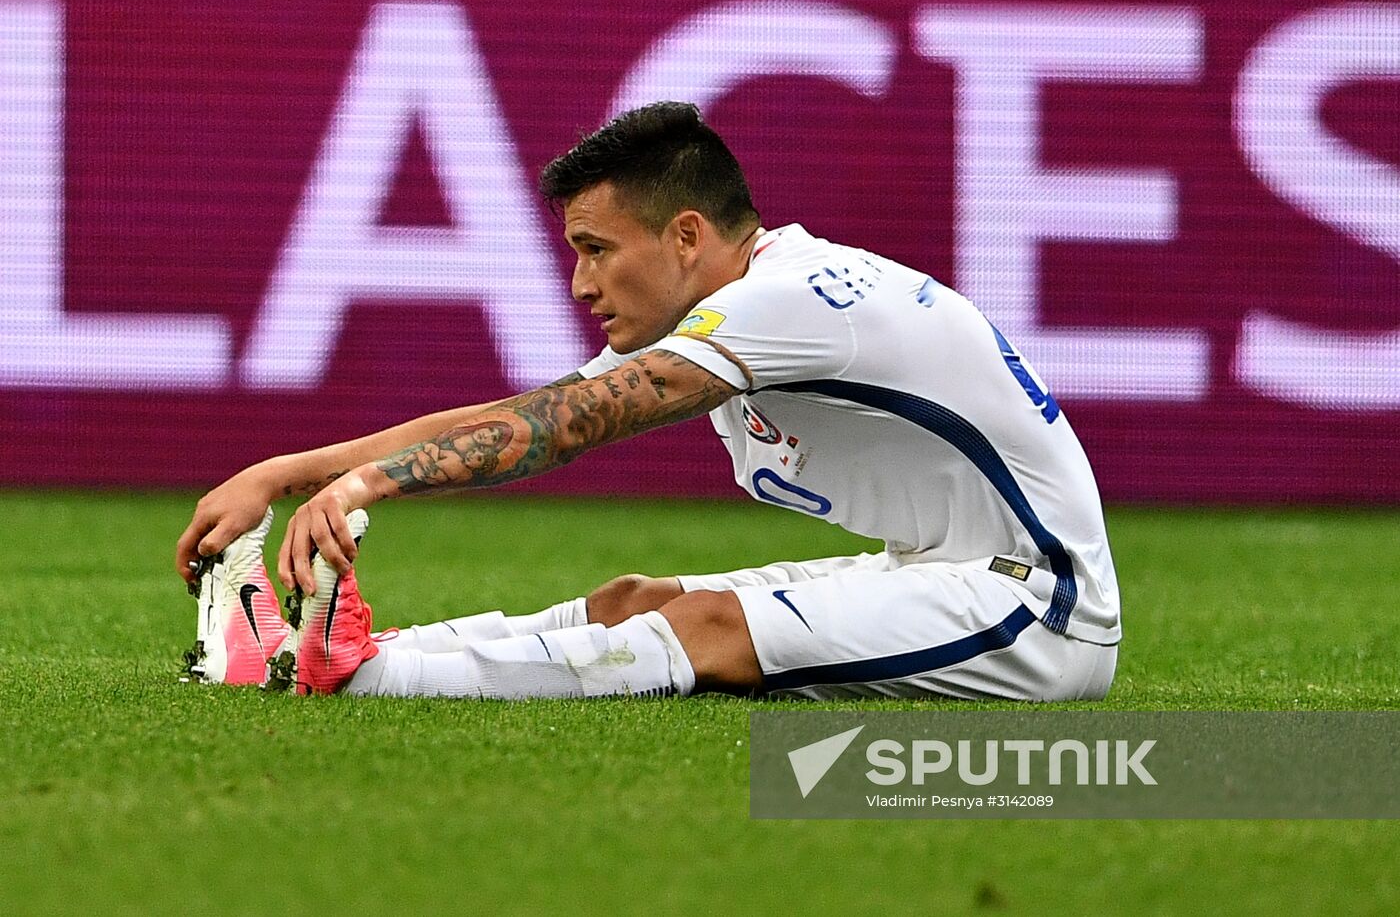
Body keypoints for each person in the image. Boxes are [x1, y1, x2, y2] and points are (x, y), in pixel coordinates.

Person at [175, 100, 1120, 701]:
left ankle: (359, 679)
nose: (581, 284)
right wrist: (286, 472)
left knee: (700, 631)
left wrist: (362, 487)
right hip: (937, 567)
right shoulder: (742, 304)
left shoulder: (789, 301)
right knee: (632, 603)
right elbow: (526, 411)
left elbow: (567, 429)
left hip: (1041, 614)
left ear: (685, 235)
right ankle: (317, 648)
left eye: (595, 248)